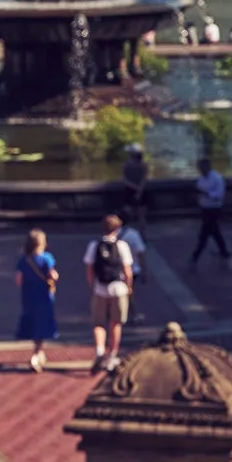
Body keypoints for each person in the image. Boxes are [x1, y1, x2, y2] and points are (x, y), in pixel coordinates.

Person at [84, 213, 134, 373]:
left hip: (101, 288)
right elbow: (128, 270)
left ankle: (99, 351)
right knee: (116, 323)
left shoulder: (94, 245)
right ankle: (112, 355)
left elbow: (90, 267)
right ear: (117, 229)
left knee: (99, 323)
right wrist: (129, 286)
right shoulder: (122, 246)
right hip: (118, 289)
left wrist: (92, 284)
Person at [15, 228, 58, 371]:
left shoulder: (24, 260)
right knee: (43, 323)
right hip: (44, 296)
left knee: (33, 323)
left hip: (28, 296)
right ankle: (36, 354)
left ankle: (39, 352)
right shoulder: (47, 258)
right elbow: (53, 275)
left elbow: (19, 280)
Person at [191, 155, 230, 261]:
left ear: (207, 166)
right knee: (215, 231)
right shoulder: (201, 179)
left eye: (201, 168)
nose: (200, 170)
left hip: (214, 208)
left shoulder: (217, 178)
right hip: (204, 208)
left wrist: (206, 194)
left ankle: (196, 254)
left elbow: (219, 195)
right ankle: (224, 251)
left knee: (205, 232)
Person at [120, 142, 148, 229]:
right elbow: (144, 179)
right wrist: (139, 190)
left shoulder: (126, 165)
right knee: (141, 217)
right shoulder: (144, 165)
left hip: (129, 191)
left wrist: (133, 187)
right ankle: (143, 237)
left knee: (127, 215)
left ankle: (127, 235)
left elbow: (124, 180)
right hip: (142, 191)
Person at [119, 205, 148, 287]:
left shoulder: (112, 233)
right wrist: (144, 271)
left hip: (115, 270)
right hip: (133, 269)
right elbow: (141, 253)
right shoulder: (134, 235)